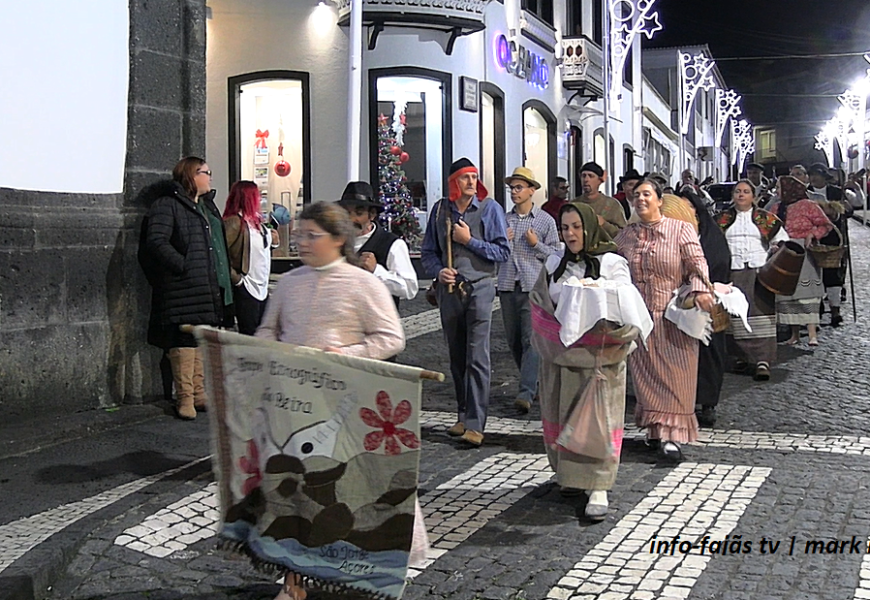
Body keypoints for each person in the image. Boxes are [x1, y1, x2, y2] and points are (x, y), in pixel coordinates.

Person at [254, 202, 417, 600]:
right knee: (290, 494)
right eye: (301, 234)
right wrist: (268, 351)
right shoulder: (290, 282)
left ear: (338, 239)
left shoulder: (363, 284)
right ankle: (292, 582)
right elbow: (267, 330)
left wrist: (345, 355)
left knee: (348, 493)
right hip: (293, 406)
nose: (302, 241)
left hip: (344, 405)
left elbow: (391, 337)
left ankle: (366, 569)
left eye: (313, 235)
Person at [530, 202, 640, 520]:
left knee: (596, 423)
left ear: (589, 226)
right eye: (565, 228)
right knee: (562, 417)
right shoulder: (555, 264)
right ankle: (571, 478)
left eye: (576, 226)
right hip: (561, 358)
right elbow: (539, 302)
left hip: (598, 360)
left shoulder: (612, 264)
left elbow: (623, 306)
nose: (571, 234)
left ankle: (598, 486)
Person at [615, 178, 714, 461]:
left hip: (673, 318)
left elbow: (698, 266)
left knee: (676, 377)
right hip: (639, 318)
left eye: (647, 194)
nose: (641, 199)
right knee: (646, 379)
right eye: (636, 195)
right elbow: (611, 263)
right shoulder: (627, 235)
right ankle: (656, 431)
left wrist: (699, 291)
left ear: (660, 200)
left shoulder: (680, 230)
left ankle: (673, 436)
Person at [421, 158, 510, 447]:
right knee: (457, 355)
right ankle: (462, 414)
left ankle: (476, 423)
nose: (471, 182)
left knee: (477, 356)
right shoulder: (440, 211)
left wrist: (469, 240)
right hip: (449, 290)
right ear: (453, 182)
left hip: (480, 288)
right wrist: (438, 271)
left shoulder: (490, 209)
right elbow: (428, 253)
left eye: (474, 176)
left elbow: (501, 252)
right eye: (465, 177)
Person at [140, 157, 233, 420]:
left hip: (206, 286)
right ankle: (185, 397)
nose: (210, 177)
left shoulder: (204, 207)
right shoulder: (168, 205)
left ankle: (200, 393)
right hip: (183, 287)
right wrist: (183, 265)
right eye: (206, 172)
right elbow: (157, 241)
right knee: (182, 341)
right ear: (191, 175)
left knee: (201, 338)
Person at [498, 167, 560, 414]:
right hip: (506, 285)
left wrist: (536, 246)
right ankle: (532, 379)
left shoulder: (545, 221)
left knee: (530, 340)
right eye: (512, 188)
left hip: (532, 286)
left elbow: (556, 254)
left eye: (519, 187)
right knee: (514, 340)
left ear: (531, 190)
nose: (514, 192)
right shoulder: (504, 219)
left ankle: (526, 391)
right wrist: (502, 240)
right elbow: (495, 252)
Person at [715, 180, 787, 385]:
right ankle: (742, 358)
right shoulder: (722, 218)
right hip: (733, 272)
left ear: (753, 196)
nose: (741, 195)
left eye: (746, 191)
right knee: (736, 315)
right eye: (738, 191)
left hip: (759, 271)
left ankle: (763, 360)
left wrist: (776, 249)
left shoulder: (766, 218)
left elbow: (781, 239)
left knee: (761, 313)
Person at [680, 187, 732, 429]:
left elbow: (720, 261)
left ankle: (707, 402)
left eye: (688, 207)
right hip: (679, 305)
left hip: (708, 302)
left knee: (709, 353)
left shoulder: (711, 235)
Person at [767, 176, 834, 346]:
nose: (777, 191)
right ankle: (794, 334)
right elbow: (771, 229)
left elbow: (826, 225)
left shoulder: (809, 205)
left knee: (806, 293)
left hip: (804, 253)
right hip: (784, 253)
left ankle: (812, 334)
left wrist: (813, 234)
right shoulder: (777, 207)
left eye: (779, 188)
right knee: (788, 294)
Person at [337, 181, 419, 305]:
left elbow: (410, 288)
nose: (351, 219)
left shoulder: (392, 244)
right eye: (346, 213)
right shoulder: (334, 243)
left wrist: (377, 271)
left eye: (359, 213)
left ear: (372, 214)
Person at [223, 181, 279, 335]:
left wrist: (273, 242)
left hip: (262, 286)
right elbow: (219, 255)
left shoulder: (258, 223)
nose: (260, 199)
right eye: (257, 195)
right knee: (250, 333)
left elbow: (259, 251)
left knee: (263, 333)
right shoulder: (235, 222)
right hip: (246, 285)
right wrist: (237, 279)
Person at [808, 163, 851, 326]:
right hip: (813, 238)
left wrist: (844, 209)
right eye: (811, 175)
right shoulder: (806, 193)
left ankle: (835, 311)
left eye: (816, 174)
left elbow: (848, 211)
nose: (813, 178)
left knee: (834, 276)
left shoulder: (835, 191)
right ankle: (816, 309)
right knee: (815, 276)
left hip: (834, 238)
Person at [574, 162, 627, 237]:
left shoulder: (612, 205)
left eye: (591, 176)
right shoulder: (574, 204)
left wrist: (604, 224)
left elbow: (623, 234)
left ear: (599, 180)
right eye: (583, 176)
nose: (586, 179)